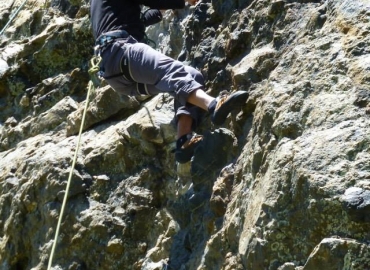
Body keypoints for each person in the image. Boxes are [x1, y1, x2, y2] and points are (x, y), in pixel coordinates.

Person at [89, 0, 248, 163]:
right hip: (121, 51)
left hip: (117, 74)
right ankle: (214, 105)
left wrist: (163, 9)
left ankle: (183, 140)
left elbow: (139, 18)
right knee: (172, 72)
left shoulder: (99, 6)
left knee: (191, 76)